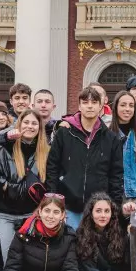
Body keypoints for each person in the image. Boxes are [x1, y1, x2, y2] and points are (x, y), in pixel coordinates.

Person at [46, 86, 124, 229]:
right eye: (85, 102)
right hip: (68, 206)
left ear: (101, 106)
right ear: (79, 105)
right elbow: (52, 168)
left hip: (98, 208)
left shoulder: (111, 139)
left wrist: (114, 206)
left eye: (94, 102)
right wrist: (53, 200)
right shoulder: (64, 133)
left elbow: (116, 175)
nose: (90, 106)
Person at [0, 109, 49, 257]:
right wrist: (7, 187)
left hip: (32, 214)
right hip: (5, 214)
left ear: (39, 128)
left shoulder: (47, 153)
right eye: (26, 122)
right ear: (19, 125)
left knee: (30, 261)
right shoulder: (4, 149)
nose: (30, 126)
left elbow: (50, 183)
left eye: (34, 123)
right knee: (3, 257)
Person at [110, 91, 136, 202]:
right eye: (123, 105)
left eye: (131, 105)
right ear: (115, 107)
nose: (127, 109)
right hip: (112, 194)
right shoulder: (108, 134)